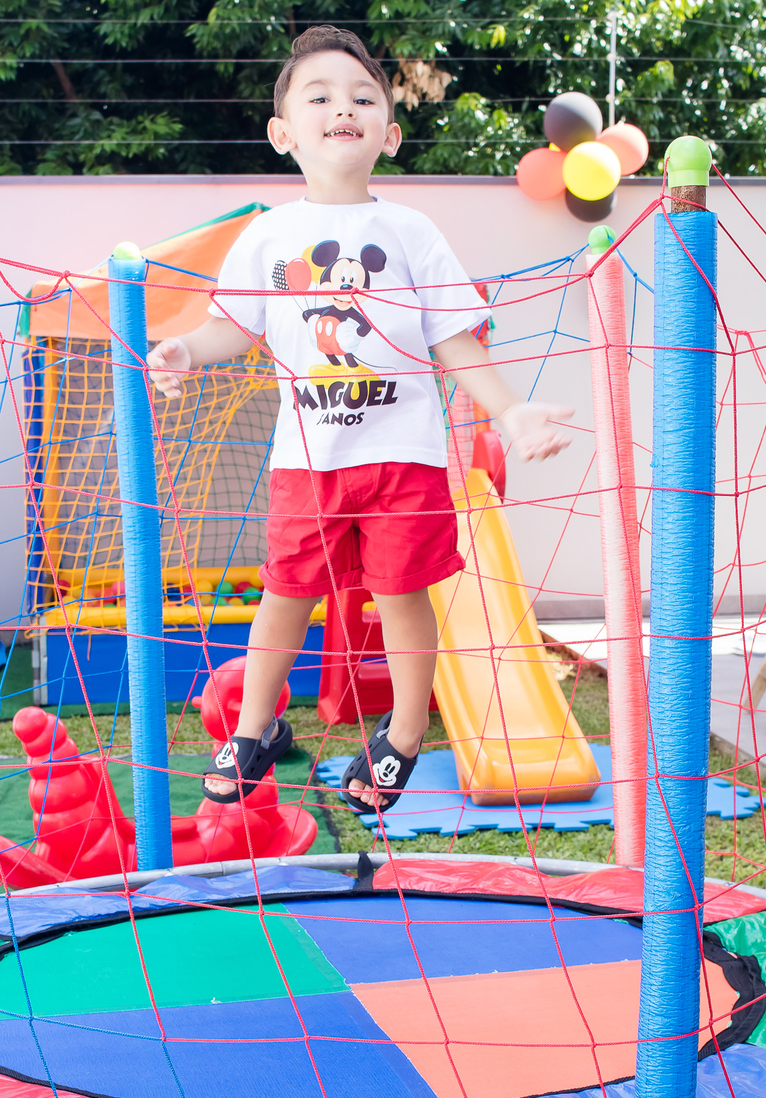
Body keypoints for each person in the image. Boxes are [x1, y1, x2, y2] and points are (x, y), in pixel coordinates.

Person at [149, 25, 573, 814]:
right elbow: (231, 326)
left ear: (390, 130)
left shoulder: (410, 232)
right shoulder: (267, 236)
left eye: (361, 97)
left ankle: (402, 737)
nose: (342, 107)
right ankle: (253, 732)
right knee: (286, 592)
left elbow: (454, 338)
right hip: (305, 462)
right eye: (319, 97)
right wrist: (183, 351)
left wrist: (509, 411)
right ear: (284, 134)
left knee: (403, 593)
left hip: (402, 459)